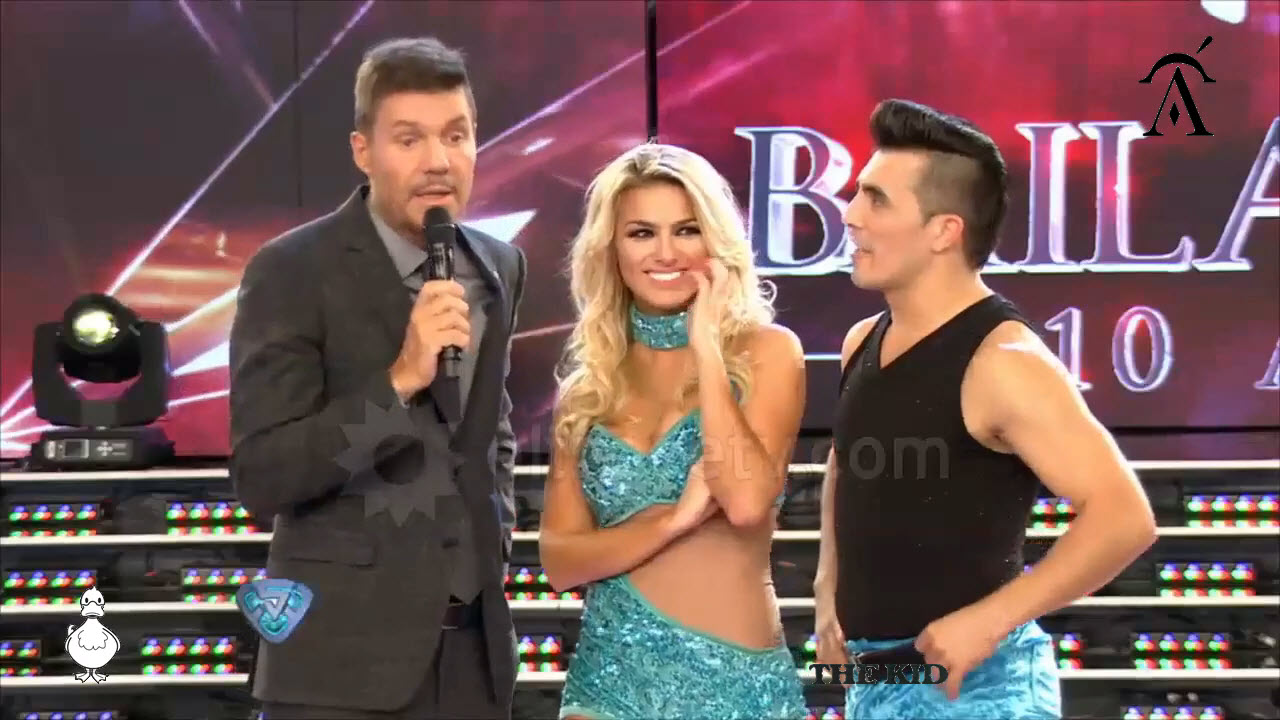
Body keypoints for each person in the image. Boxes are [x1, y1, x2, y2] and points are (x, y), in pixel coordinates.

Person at [813, 98, 1158, 719]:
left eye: (877, 199)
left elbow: (1124, 518)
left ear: (944, 231)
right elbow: (850, 461)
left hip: (981, 692)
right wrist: (826, 586)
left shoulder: (1004, 362)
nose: (850, 213)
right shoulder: (861, 341)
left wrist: (991, 620)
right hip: (879, 681)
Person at [229, 37, 526, 719]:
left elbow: (492, 429)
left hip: (473, 661)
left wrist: (494, 543)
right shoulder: (293, 270)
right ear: (363, 151)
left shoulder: (499, 266)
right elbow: (263, 476)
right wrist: (398, 381)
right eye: (409, 139)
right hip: (339, 670)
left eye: (456, 135)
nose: (438, 160)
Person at [538, 143, 809, 720]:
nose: (666, 253)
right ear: (612, 248)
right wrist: (673, 520)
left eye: (686, 230)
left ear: (715, 241)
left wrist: (706, 347)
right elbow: (560, 562)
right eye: (641, 233)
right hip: (606, 686)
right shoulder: (589, 388)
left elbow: (745, 503)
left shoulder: (768, 353)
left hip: (736, 690)